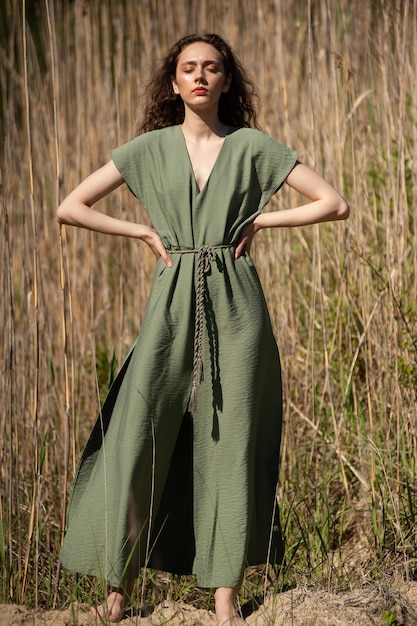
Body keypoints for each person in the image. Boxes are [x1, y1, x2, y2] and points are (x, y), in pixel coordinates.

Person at [57, 33, 349, 625]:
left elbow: (333, 203)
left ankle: (225, 597)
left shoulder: (251, 147)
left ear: (225, 81)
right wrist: (140, 232)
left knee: (231, 441)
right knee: (139, 431)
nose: (199, 77)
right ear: (173, 82)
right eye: (188, 68)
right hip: (169, 298)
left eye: (211, 68)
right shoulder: (148, 149)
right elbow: (71, 206)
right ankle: (116, 588)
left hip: (236, 302)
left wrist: (265, 217)